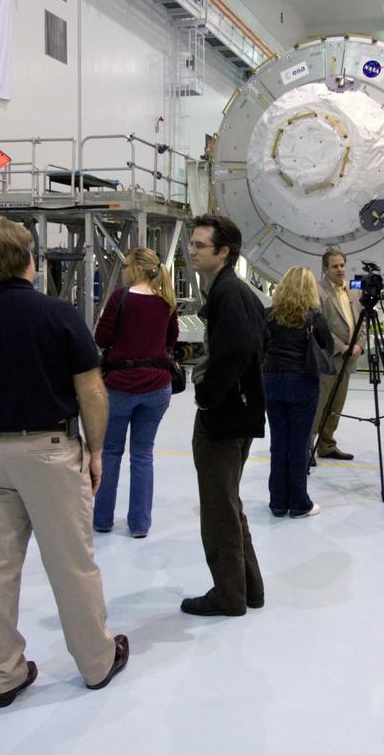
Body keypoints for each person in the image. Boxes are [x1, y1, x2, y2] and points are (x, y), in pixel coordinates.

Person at [0, 219, 128, 708]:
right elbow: (91, 390)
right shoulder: (57, 316)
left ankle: (3, 674)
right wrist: (97, 450)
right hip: (50, 451)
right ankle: (96, 661)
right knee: (71, 563)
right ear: (29, 261)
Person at [182, 214, 267, 617]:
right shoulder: (232, 291)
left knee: (218, 508)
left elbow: (237, 349)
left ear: (223, 252)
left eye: (200, 245)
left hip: (225, 416)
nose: (192, 251)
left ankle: (228, 595)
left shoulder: (229, 292)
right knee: (228, 502)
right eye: (193, 244)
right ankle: (249, 587)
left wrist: (207, 396)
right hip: (237, 412)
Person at [93, 247, 179, 538]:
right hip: (157, 386)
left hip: (120, 385)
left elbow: (101, 338)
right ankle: (140, 524)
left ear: (137, 268)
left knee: (111, 452)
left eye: (126, 266)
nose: (124, 271)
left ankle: (103, 519)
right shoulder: (167, 301)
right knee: (143, 454)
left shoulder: (121, 297)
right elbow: (171, 340)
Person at [263, 266, 332, 518]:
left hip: (271, 380)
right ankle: (299, 502)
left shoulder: (268, 315)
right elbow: (328, 344)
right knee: (299, 443)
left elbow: (260, 345)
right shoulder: (314, 317)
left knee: (279, 442)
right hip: (302, 381)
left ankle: (278, 501)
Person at [312, 248, 364, 463]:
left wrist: (359, 345)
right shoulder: (318, 291)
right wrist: (340, 346)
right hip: (328, 359)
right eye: (335, 266)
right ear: (325, 269)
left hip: (348, 360)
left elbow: (363, 323)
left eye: (342, 265)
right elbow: (317, 323)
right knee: (319, 404)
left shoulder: (353, 293)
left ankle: (327, 445)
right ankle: (307, 446)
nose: (340, 269)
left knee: (336, 405)